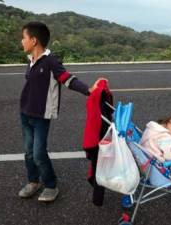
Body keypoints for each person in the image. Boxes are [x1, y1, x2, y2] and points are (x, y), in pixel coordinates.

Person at [18, 21, 105, 202]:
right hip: (25, 113)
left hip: (41, 116)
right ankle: (33, 181)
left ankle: (50, 185)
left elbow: (68, 79)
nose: (21, 41)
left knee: (39, 153)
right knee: (28, 152)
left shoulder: (51, 62)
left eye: (23, 38)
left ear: (33, 40)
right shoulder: (31, 60)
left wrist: (89, 90)